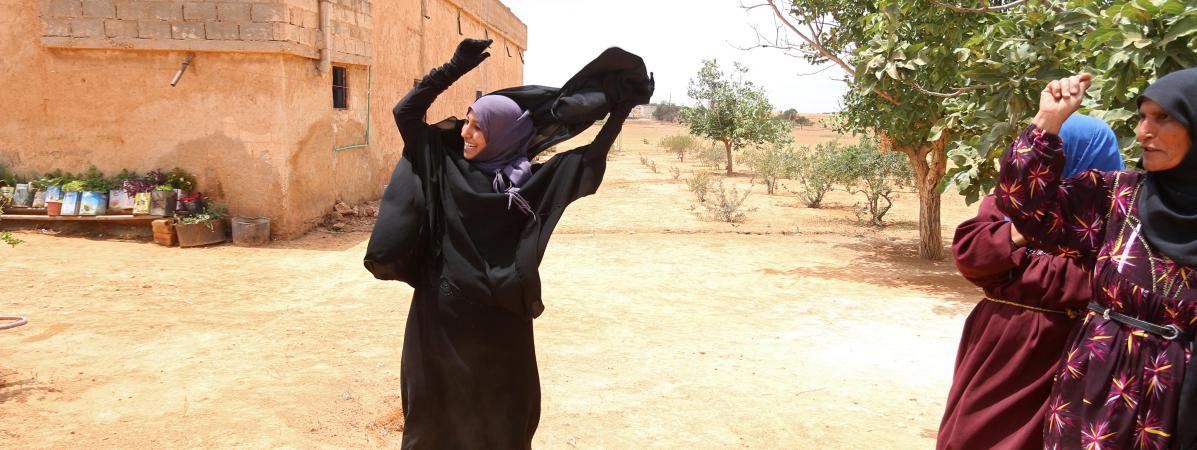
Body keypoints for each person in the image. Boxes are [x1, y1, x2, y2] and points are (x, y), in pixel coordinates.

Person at [366, 39, 652, 449]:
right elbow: (405, 113)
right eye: (467, 122)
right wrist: (453, 67)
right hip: (440, 316)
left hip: (499, 322)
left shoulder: (530, 183)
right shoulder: (444, 164)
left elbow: (589, 160)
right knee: (433, 413)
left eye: (479, 126)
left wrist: (621, 111)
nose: (466, 133)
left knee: (501, 412)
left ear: (506, 133)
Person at [994, 68, 1197, 448]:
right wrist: (1048, 121)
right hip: (1095, 389)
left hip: (1179, 404)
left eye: (1163, 117)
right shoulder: (1117, 197)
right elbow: (1025, 206)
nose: (1142, 132)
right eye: (1142, 117)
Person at [937, 114, 1124, 450]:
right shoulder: (1011, 201)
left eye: (1061, 151)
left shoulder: (1117, 217)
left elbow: (1095, 282)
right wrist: (1028, 224)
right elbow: (972, 257)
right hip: (999, 346)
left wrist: (1017, 264)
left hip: (1071, 349)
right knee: (972, 435)